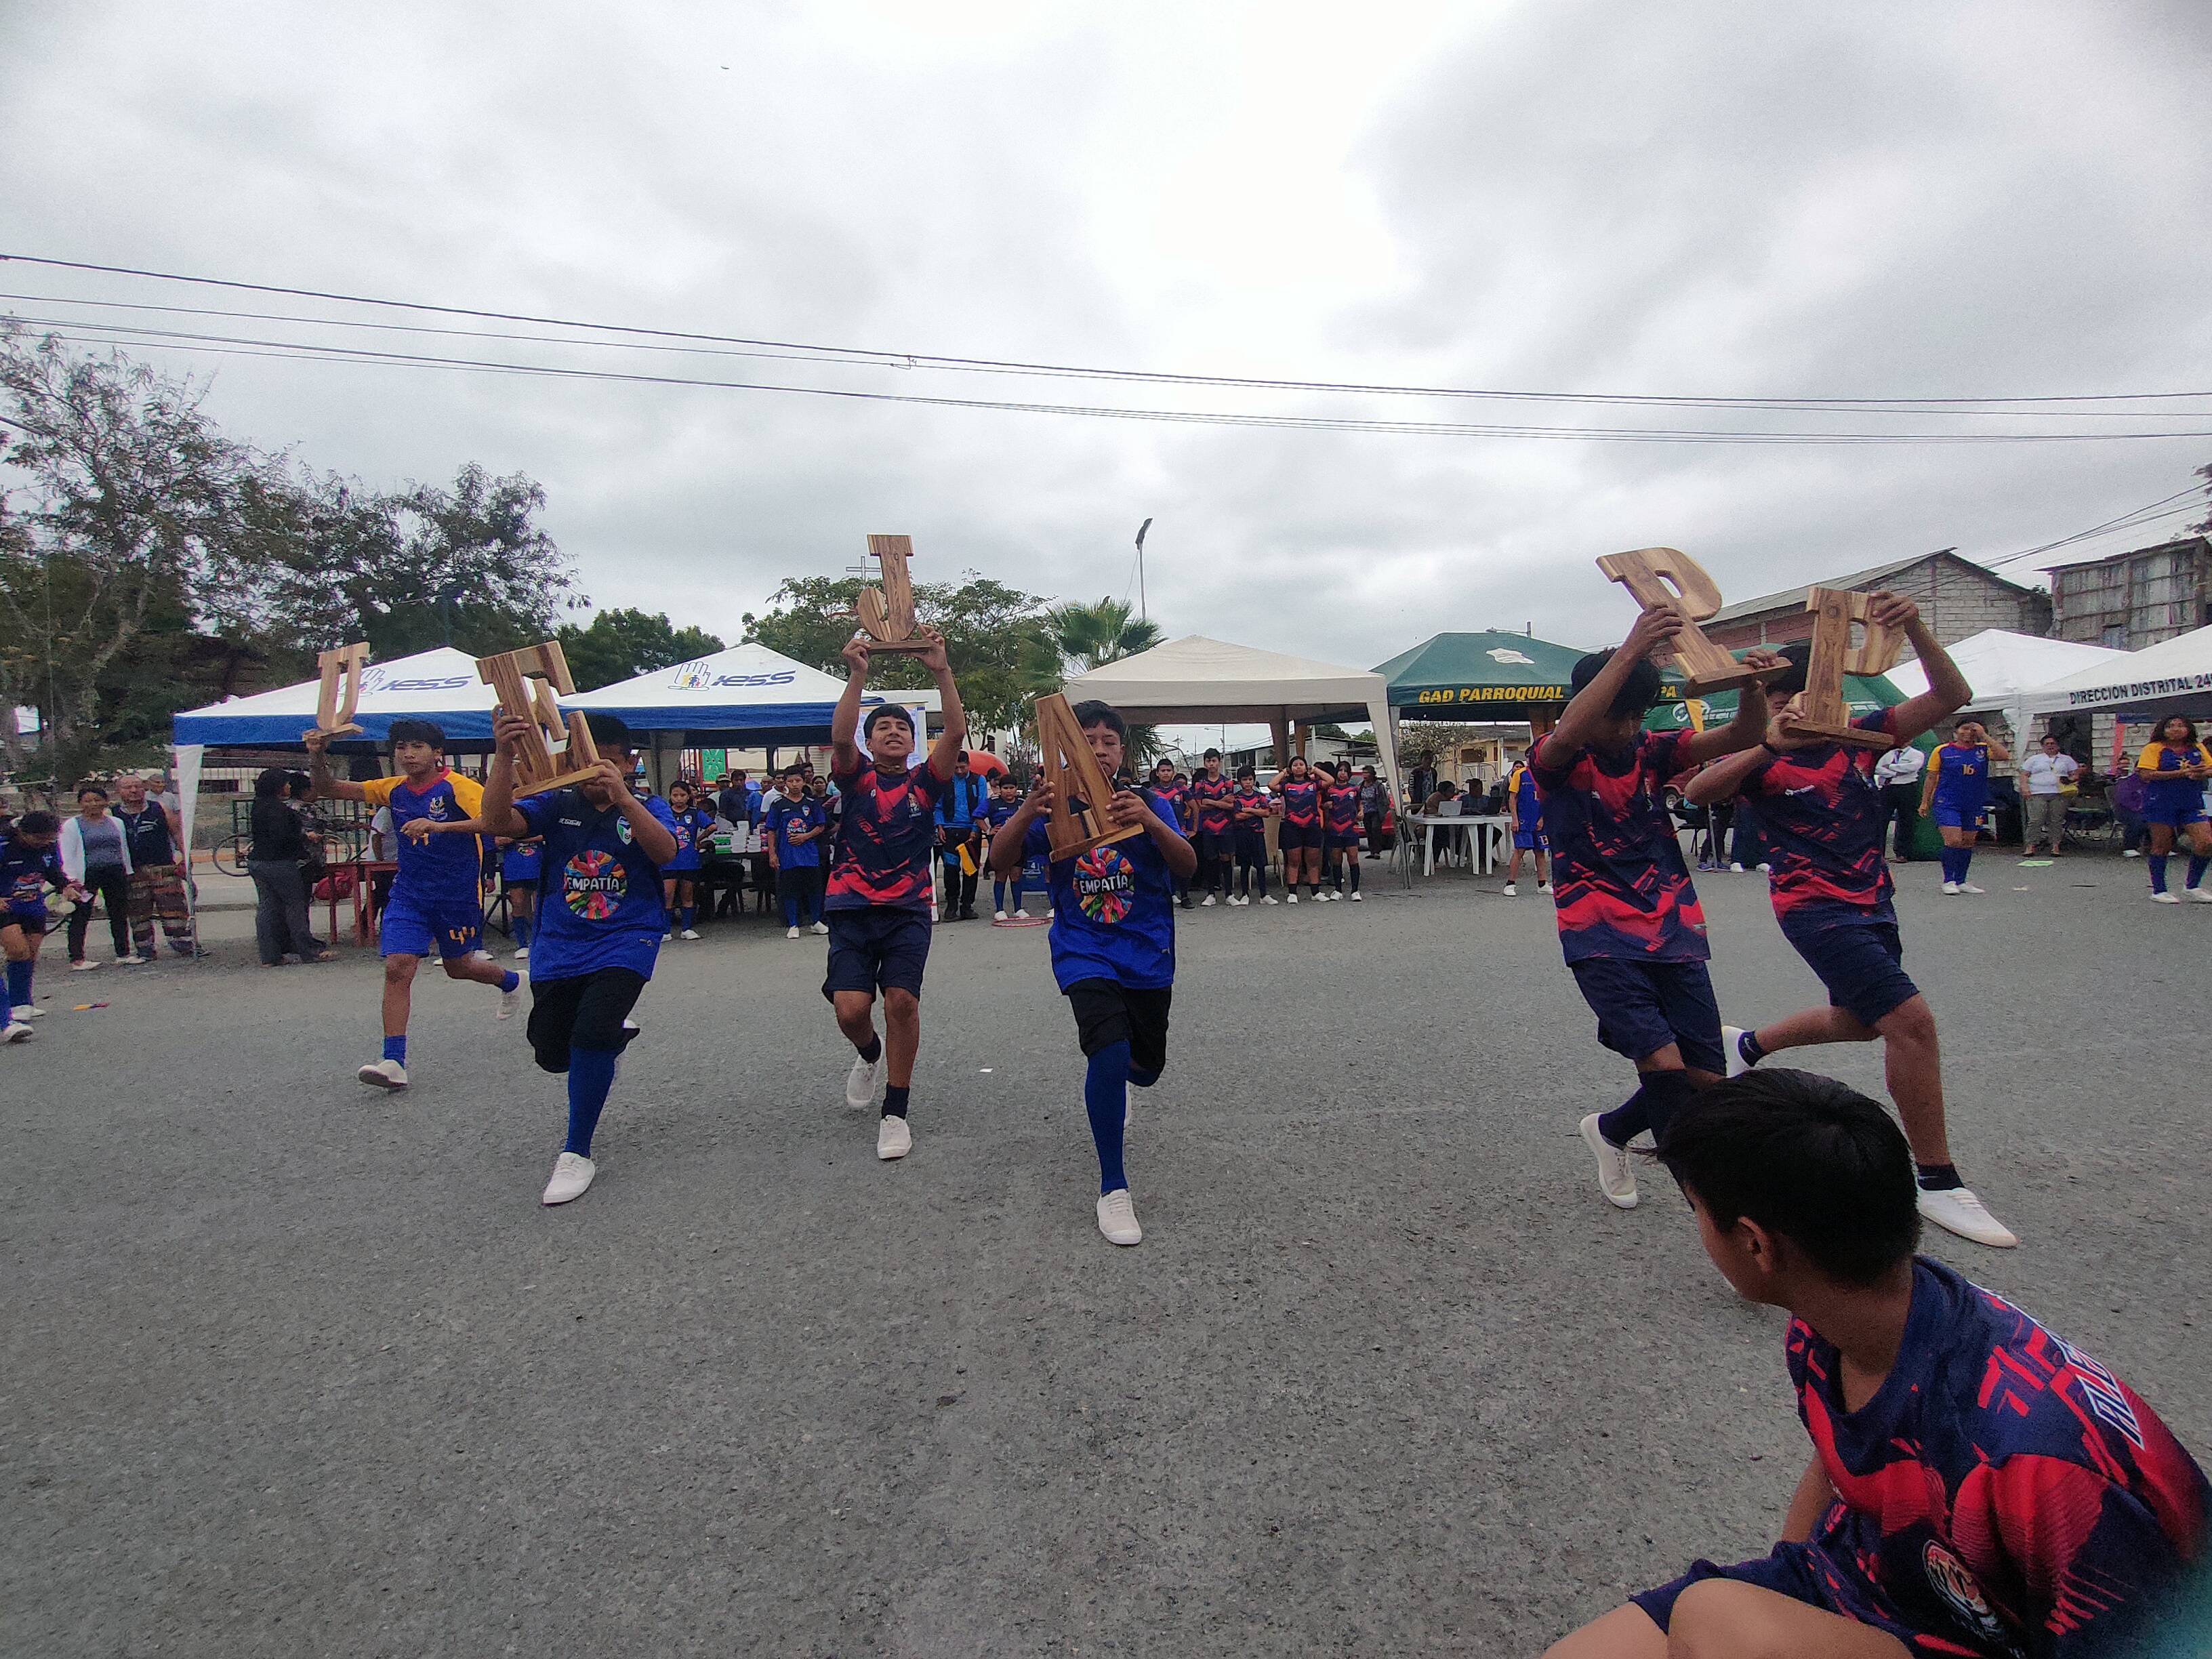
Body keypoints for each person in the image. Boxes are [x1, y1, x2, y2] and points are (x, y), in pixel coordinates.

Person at [1544, 1070, 2210, 1659]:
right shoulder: (1835, 1321)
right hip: (1875, 1582)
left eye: (1697, 1211)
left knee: (1720, 1624)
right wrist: (1785, 1585)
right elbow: (1840, 1457)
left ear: (1755, 1245)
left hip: (1988, 1638)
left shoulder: (2032, 1461)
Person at [1685, 598, 2016, 1248]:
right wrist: (1767, 742)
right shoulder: (1763, 754)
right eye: (1780, 697)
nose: (1794, 706)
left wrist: (1914, 625)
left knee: (1863, 1022)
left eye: (1804, 693)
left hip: (1875, 901)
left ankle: (1747, 1047)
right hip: (1814, 908)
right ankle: (1938, 1181)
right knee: (1911, 1023)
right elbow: (1699, 792)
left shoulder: (1861, 736)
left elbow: (1952, 695)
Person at [1536, 605, 1784, 1212]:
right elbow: (1569, 731)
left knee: (1706, 1077)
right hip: (1598, 931)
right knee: (1664, 1066)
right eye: (1617, 714)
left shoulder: (1652, 749)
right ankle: (1718, 1209)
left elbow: (1741, 736)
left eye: (1636, 715)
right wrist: (1630, 651)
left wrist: (1752, 689)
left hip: (1674, 927)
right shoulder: (1557, 758)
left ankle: (1612, 1130)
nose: (1627, 726)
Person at [989, 699, 1196, 1245]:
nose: (1099, 749)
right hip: (1083, 949)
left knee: (1143, 1069)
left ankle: (1119, 1085)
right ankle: (1113, 1188)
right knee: (1106, 1051)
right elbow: (999, 861)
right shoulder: (1053, 811)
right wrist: (1025, 812)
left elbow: (1188, 866)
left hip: (1146, 952)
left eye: (1109, 741)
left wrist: (1150, 821)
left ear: (1121, 752)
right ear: (1066, 748)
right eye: (1088, 739)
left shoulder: (1150, 802)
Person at [477, 711, 677, 1204]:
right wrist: (503, 756)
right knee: (552, 1053)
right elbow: (498, 823)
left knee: (591, 1032)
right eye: (583, 763)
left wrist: (624, 799)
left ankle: (576, 1152)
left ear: (628, 762)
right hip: (561, 942)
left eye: (605, 762)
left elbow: (666, 852)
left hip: (627, 938)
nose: (593, 773)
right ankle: (611, 1036)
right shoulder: (555, 803)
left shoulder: (648, 806)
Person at [306, 718, 522, 1090]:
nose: (408, 754)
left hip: (456, 897)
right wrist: (317, 755)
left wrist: (439, 826)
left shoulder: (460, 788)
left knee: (458, 967)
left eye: (417, 747)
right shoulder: (393, 789)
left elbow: (497, 824)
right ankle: (393, 1061)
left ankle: (512, 981)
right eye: (402, 747)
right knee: (397, 967)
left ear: (438, 752)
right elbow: (327, 788)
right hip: (409, 895)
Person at [822, 630, 964, 1160]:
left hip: (907, 909)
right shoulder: (856, 779)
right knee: (851, 1012)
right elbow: (840, 738)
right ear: (869, 741)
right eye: (882, 726)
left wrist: (941, 669)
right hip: (851, 909)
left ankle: (896, 1111)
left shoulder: (926, 783)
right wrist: (857, 674)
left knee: (901, 1002)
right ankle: (868, 1053)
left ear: (912, 740)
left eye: (902, 726)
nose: (893, 731)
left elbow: (955, 732)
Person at [3, 811, 79, 1040]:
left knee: (30, 953)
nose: (44, 842)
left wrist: (66, 886)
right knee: (17, 950)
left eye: (49, 838)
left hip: (33, 904)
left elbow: (53, 870)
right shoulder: (5, 845)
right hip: (6, 906)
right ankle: (8, 1012)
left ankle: (21, 1002)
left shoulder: (49, 846)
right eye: (39, 838)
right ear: (23, 832)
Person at [244, 768, 329, 967]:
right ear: (278, 786)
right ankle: (308, 950)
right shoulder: (279, 810)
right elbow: (282, 836)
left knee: (267, 907)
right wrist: (304, 837)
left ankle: (270, 955)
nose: (289, 787)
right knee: (295, 905)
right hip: (280, 863)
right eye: (286, 783)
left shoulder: (258, 806)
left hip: (259, 861)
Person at [112, 773, 196, 959]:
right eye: (128, 787)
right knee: (138, 913)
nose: (134, 791)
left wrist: (186, 858)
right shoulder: (112, 815)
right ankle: (145, 948)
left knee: (174, 908)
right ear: (118, 791)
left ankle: (183, 943)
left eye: (137, 786)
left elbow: (177, 833)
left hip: (163, 868)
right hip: (133, 872)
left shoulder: (160, 808)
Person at [60, 783, 143, 969]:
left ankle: (123, 953)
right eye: (88, 801)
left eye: (97, 800)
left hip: (114, 871)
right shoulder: (72, 825)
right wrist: (71, 880)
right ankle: (77, 958)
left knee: (118, 913)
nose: (93, 804)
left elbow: (123, 848)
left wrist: (128, 871)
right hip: (87, 874)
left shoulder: (116, 823)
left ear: (106, 801)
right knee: (81, 914)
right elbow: (67, 854)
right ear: (80, 803)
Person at [1919, 719, 2007, 895]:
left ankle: (1961, 881)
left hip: (1973, 802)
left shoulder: (1983, 749)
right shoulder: (1943, 750)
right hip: (1947, 801)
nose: (1968, 733)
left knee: (1968, 842)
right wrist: (1925, 802)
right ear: (1956, 731)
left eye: (1973, 730)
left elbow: (2004, 755)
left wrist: (1984, 735)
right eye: (1964, 729)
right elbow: (1931, 777)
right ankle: (1949, 880)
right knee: (1953, 840)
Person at [2133, 715, 2212, 903]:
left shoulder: (2197, 748)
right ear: (2163, 730)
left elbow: (2210, 768)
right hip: (2161, 801)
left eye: (2180, 726)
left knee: (2206, 842)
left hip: (2191, 801)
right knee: (2163, 845)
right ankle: (2159, 890)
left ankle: (2192, 886)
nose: (2175, 729)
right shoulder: (2154, 748)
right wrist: (2181, 773)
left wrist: (2200, 773)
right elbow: (2146, 774)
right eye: (2170, 726)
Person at [763, 766, 829, 938]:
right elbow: (771, 830)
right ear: (785, 783)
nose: (794, 784)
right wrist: (772, 854)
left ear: (803, 782)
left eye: (798, 781)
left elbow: (821, 826)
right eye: (791, 781)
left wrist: (805, 836)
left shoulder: (812, 803)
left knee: (814, 889)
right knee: (790, 889)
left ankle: (816, 922)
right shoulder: (778, 805)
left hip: (809, 854)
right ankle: (793, 924)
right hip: (788, 855)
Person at [649, 778, 713, 940]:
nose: (679, 799)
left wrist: (698, 840)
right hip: (669, 860)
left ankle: (687, 928)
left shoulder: (694, 813)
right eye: (675, 795)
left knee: (688, 894)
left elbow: (712, 826)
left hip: (689, 860)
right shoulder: (664, 813)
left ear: (688, 796)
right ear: (670, 796)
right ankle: (665, 930)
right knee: (667, 894)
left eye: (682, 795)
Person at [935, 750, 990, 921]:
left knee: (971, 870)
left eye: (962, 767)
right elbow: (938, 806)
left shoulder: (979, 780)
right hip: (950, 831)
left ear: (969, 765)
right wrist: (940, 826)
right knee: (951, 869)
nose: (959, 771)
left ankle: (967, 906)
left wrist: (975, 829)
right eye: (956, 768)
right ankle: (951, 906)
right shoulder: (944, 781)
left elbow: (982, 805)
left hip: (971, 831)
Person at [1273, 754, 1327, 902]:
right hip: (1292, 827)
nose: (1298, 767)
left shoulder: (1314, 784)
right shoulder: (1286, 786)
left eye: (1301, 765)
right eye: (1295, 765)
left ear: (1306, 767)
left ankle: (1315, 892)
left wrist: (1315, 770)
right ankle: (1292, 893)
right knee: (1294, 861)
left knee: (1313, 861)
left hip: (1312, 826)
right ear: (1291, 769)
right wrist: (1284, 773)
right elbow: (1272, 785)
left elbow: (1330, 781)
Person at [2017, 732, 2079, 859]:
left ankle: (2055, 846)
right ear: (2043, 746)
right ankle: (2031, 845)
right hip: (2037, 793)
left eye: (2053, 743)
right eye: (2047, 744)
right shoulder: (2034, 759)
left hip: (2059, 794)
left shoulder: (2066, 760)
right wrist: (2025, 788)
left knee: (2056, 821)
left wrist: (2070, 780)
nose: (2051, 746)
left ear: (2058, 745)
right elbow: (2024, 774)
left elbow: (2075, 774)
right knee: (2036, 820)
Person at [1186, 750, 1236, 903]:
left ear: (1219, 763)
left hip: (1226, 827)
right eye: (1208, 761)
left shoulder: (1228, 783)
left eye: (1214, 761)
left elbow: (1231, 805)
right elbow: (1200, 806)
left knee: (1226, 858)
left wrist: (1211, 802)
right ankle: (1211, 894)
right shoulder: (1200, 784)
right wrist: (1221, 802)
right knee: (1210, 859)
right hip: (1208, 827)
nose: (1211, 764)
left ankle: (1229, 894)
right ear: (1205, 763)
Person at [1500, 750, 1550, 898]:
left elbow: (1547, 798)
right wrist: (1515, 819)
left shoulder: (1544, 775)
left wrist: (1543, 819)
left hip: (1538, 820)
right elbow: (1513, 798)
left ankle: (1542, 883)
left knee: (1540, 852)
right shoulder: (1520, 774)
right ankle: (1510, 884)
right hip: (1523, 819)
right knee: (1519, 850)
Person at [1148, 759, 1194, 909]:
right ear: (1157, 773)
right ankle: (1170, 894)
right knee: (1163, 865)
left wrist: (1194, 829)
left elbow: (1195, 807)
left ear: (1173, 772)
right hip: (1159, 835)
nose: (1166, 773)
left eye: (1168, 771)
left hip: (1179, 832)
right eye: (1163, 771)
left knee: (1182, 863)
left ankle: (1185, 896)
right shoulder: (1151, 792)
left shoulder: (1181, 789)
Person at [985, 775, 1031, 920]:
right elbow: (978, 816)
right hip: (1001, 845)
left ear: (1017, 789)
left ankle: (1018, 909)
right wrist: (988, 830)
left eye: (1012, 788)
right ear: (1000, 789)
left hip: (1020, 844)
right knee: (1001, 875)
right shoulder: (992, 803)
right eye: (1005, 788)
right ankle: (999, 910)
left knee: (1016, 875)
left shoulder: (1023, 803)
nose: (1009, 791)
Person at [1871, 739, 1926, 861]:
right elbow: (1878, 768)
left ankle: (1902, 853)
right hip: (1888, 788)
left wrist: (1890, 767)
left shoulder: (1916, 754)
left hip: (1907, 787)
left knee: (1906, 820)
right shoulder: (1889, 754)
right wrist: (1896, 773)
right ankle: (1879, 852)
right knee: (1881, 820)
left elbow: (1913, 767)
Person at [1228, 767, 1277, 905]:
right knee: (1245, 865)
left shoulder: (1260, 796)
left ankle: (1264, 895)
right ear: (1240, 782)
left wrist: (1249, 810)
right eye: (1245, 780)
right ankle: (1245, 894)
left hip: (1257, 833)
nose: (1248, 782)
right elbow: (1238, 816)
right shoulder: (1237, 798)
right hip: (1242, 834)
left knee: (1260, 865)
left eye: (1250, 779)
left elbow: (1266, 813)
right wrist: (1257, 811)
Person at [1322, 762, 1364, 900]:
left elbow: (1360, 805)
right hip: (1334, 828)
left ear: (1349, 774)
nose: (1343, 773)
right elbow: (1322, 805)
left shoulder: (1354, 789)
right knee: (1336, 859)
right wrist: (1326, 806)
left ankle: (1355, 890)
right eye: (1340, 770)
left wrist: (1361, 812)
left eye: (1346, 771)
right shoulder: (1330, 790)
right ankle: (1338, 889)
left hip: (1350, 828)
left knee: (1353, 857)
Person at [499, 832, 541, 958]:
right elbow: (498, 840)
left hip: (537, 864)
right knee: (518, 904)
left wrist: (520, 838)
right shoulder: (508, 822)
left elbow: (543, 835)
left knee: (539, 905)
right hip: (515, 866)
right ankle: (522, 944)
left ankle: (538, 941)